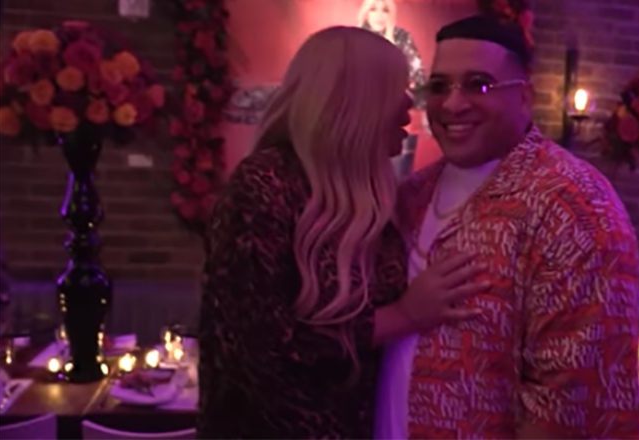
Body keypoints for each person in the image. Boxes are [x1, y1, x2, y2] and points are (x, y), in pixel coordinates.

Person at [197, 26, 487, 439]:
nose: (409, 104)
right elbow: (262, 346)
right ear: (356, 101)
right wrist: (404, 315)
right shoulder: (264, 185)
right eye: (397, 89)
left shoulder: (376, 193)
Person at [378, 15, 639, 439]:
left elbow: (571, 401)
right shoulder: (412, 194)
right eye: (440, 86)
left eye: (479, 84)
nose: (453, 104)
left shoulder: (572, 204)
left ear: (524, 97)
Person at [357, 0, 425, 105]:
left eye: (385, 10)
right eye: (373, 9)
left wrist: (390, 38)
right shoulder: (356, 37)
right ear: (365, 13)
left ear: (391, 14)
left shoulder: (402, 36)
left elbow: (417, 75)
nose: (379, 15)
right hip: (363, 97)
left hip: (396, 95)